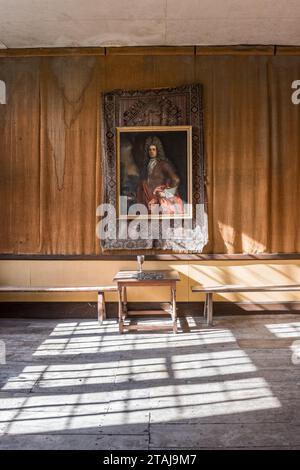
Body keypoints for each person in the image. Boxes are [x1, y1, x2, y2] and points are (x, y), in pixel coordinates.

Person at [137, 136, 184, 216]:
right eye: (149, 149)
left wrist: (166, 193)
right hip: (148, 197)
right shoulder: (146, 165)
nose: (151, 151)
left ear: (158, 150)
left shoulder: (164, 164)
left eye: (153, 149)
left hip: (158, 199)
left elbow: (176, 179)